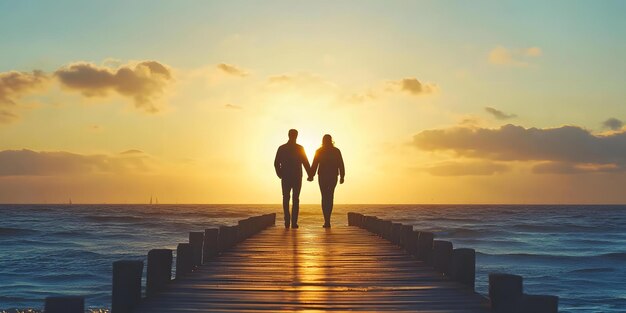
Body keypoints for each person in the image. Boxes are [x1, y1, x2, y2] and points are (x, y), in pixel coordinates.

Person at [274, 129, 311, 229]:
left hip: (288, 176)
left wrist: (280, 174)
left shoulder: (282, 148)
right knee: (294, 199)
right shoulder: (298, 148)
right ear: (296, 136)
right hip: (294, 176)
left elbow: (276, 163)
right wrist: (310, 174)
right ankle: (293, 222)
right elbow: (305, 162)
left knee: (287, 198)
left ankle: (288, 221)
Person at [308, 134, 345, 228]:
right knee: (329, 197)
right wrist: (342, 176)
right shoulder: (335, 151)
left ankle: (327, 220)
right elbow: (341, 164)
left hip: (324, 177)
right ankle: (327, 220)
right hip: (331, 177)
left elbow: (315, 164)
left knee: (325, 197)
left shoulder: (320, 151)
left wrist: (311, 175)